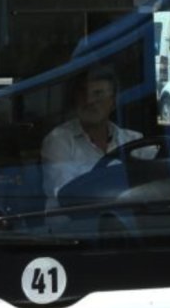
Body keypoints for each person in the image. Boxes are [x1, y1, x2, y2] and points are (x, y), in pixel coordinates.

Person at [41, 66, 144, 205]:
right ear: (75, 100)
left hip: (128, 223)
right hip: (75, 224)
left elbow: (165, 177)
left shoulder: (134, 140)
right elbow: (67, 194)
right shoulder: (59, 140)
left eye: (98, 94)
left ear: (113, 102)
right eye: (83, 93)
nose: (89, 101)